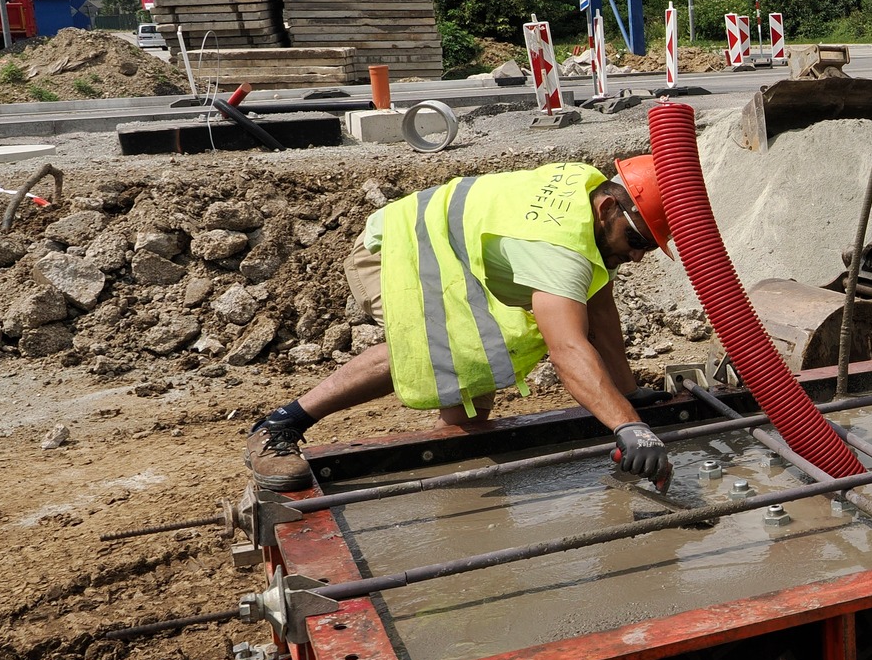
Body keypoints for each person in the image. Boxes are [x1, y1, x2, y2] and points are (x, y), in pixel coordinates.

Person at [244, 157, 675, 492]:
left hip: (448, 248)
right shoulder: (559, 250)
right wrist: (629, 427)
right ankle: (279, 425)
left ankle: (456, 479)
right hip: (398, 249)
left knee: (479, 357)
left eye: (650, 248)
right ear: (607, 207)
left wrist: (628, 396)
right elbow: (567, 349)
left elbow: (601, 311)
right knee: (434, 354)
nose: (638, 256)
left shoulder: (588, 194)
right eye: (636, 241)